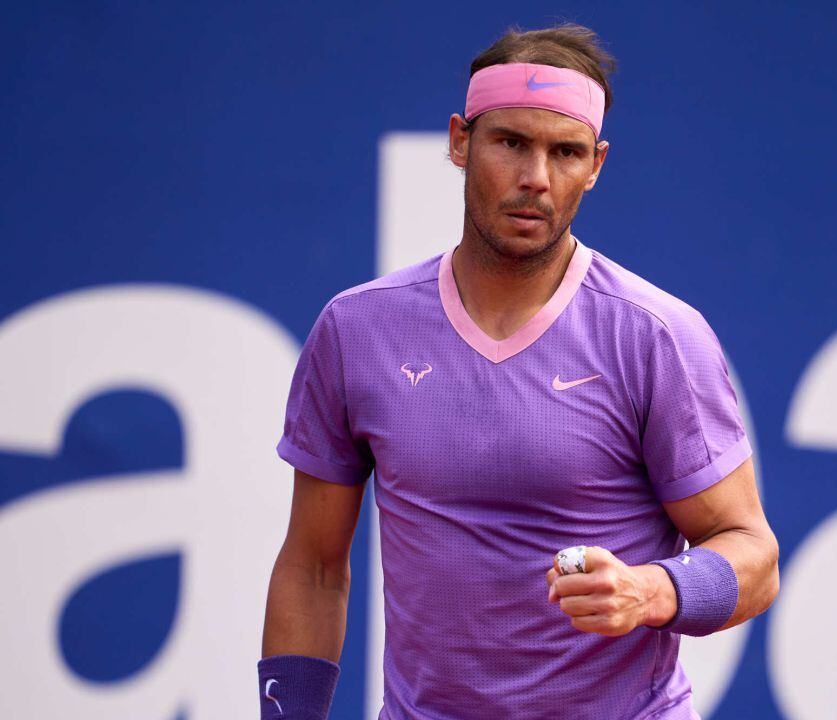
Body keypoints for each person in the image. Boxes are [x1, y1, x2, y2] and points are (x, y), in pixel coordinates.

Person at [259, 23, 779, 720]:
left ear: (595, 165)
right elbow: (314, 567)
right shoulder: (356, 329)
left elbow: (754, 558)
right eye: (511, 142)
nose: (536, 177)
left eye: (565, 152)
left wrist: (652, 589)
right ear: (459, 141)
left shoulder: (657, 336)